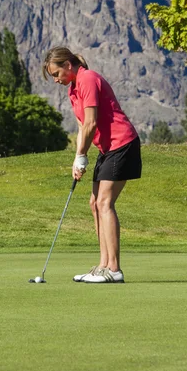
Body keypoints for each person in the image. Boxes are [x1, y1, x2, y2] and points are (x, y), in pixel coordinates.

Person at [43, 47, 142, 283]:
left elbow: (91, 122)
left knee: (105, 202)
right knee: (94, 203)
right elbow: (81, 127)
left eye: (57, 74)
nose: (56, 80)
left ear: (68, 65)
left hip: (122, 143)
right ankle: (103, 265)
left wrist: (82, 155)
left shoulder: (87, 78)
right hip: (107, 148)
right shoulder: (74, 89)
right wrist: (78, 158)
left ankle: (114, 270)